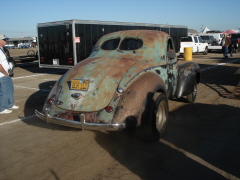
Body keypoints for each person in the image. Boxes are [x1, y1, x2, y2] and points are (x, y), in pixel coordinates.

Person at [0, 34, 18, 114]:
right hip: (2, 74)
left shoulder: (2, 49)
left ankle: (10, 104)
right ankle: (2, 108)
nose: (6, 41)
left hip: (7, 73)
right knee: (4, 91)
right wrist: (4, 73)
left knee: (10, 89)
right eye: (4, 39)